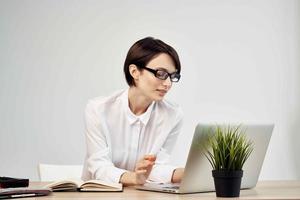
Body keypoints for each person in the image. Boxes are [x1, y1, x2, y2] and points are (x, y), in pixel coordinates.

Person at [82, 37, 184, 186]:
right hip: (99, 194)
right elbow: (99, 167)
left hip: (141, 196)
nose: (168, 83)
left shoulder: (173, 115)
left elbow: (156, 169)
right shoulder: (98, 109)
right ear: (135, 71)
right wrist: (134, 178)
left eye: (172, 76)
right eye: (161, 74)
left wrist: (185, 173)